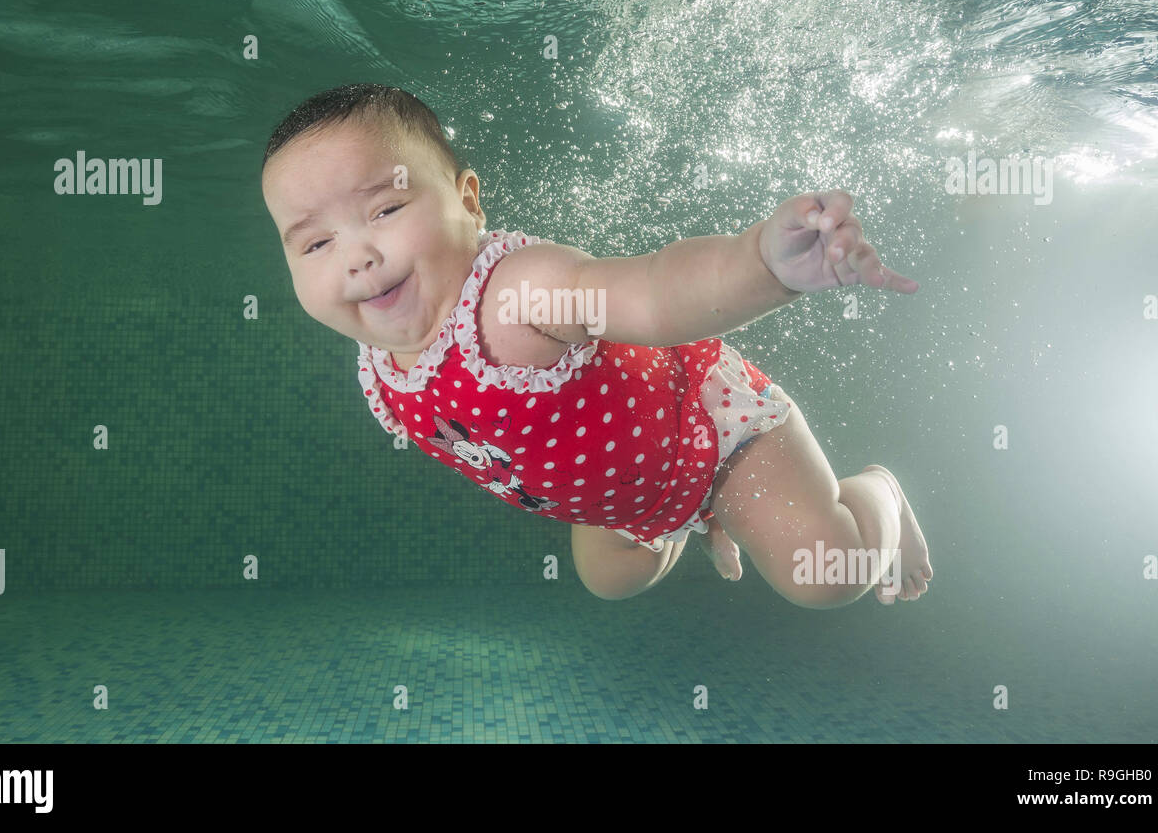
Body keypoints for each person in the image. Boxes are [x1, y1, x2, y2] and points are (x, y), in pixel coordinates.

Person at [261, 83, 932, 607]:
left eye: (385, 210)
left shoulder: (518, 298)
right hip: (627, 490)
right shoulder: (380, 371)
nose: (358, 257)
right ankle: (699, 519)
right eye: (316, 242)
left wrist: (765, 264)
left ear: (467, 201)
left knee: (821, 575)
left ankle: (879, 494)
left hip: (710, 432)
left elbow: (653, 292)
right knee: (609, 579)